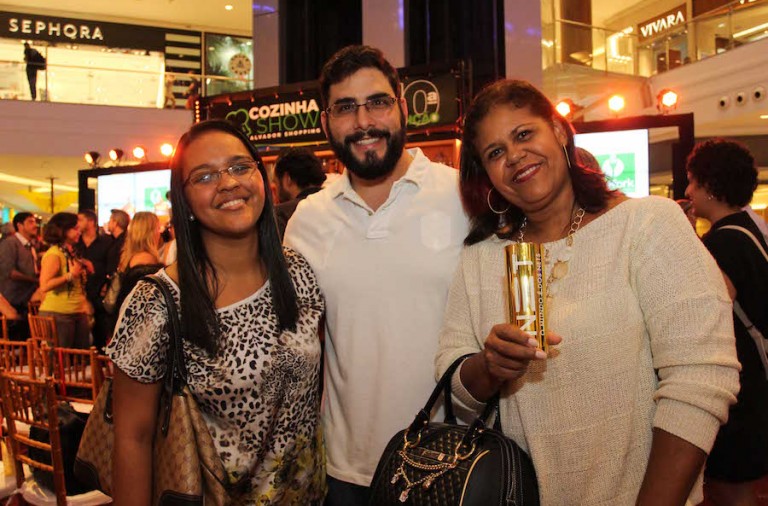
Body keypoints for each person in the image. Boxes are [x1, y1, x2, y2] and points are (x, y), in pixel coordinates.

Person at [436, 79, 740, 505]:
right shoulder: (483, 258)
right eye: (495, 153)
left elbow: (702, 377)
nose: (515, 156)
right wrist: (488, 368)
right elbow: (452, 384)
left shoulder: (647, 224)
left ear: (559, 132)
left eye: (524, 134)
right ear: (486, 174)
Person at [283, 45, 469, 504]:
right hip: (348, 472)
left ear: (403, 109)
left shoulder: (462, 197)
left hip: (453, 462)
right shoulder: (307, 220)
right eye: (346, 108)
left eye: (378, 102)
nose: (363, 122)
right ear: (325, 123)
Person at [107, 120, 325, 505]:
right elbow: (132, 439)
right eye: (205, 176)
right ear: (184, 200)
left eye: (240, 167)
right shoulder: (156, 302)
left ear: (263, 177)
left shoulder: (299, 274)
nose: (228, 183)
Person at [685, 138, 768, 506]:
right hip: (755, 386)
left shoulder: (723, 244)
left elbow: (711, 312)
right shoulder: (749, 231)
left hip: (740, 392)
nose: (688, 191)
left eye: (692, 182)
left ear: (710, 186)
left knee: (729, 493)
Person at [39, 212, 92, 349]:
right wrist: (70, 275)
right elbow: (44, 285)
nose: (79, 231)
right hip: (59, 314)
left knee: (80, 361)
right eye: (75, 228)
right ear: (63, 230)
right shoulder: (54, 254)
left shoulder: (70, 251)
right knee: (63, 363)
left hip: (76, 312)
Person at [111, 211, 164, 317]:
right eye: (157, 228)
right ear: (150, 232)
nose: (160, 233)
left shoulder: (129, 256)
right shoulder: (147, 260)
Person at [77, 209, 113, 350]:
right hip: (79, 292)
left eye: (80, 220)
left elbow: (111, 266)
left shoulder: (106, 241)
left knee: (100, 330)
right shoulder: (76, 243)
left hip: (99, 291)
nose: (77, 224)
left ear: (91, 221)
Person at [0, 212, 39, 339]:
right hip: (13, 299)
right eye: (30, 222)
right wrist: (34, 280)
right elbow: (9, 272)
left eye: (35, 222)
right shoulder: (10, 243)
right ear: (19, 225)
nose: (35, 225)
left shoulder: (30, 245)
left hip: (27, 299)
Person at [274, 147, 327, 237]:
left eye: (275, 183)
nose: (275, 190)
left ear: (287, 179)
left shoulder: (280, 215)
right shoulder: (340, 205)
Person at [105, 209, 130, 276]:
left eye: (110, 220)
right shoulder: (114, 240)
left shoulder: (124, 243)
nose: (108, 223)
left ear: (115, 223)